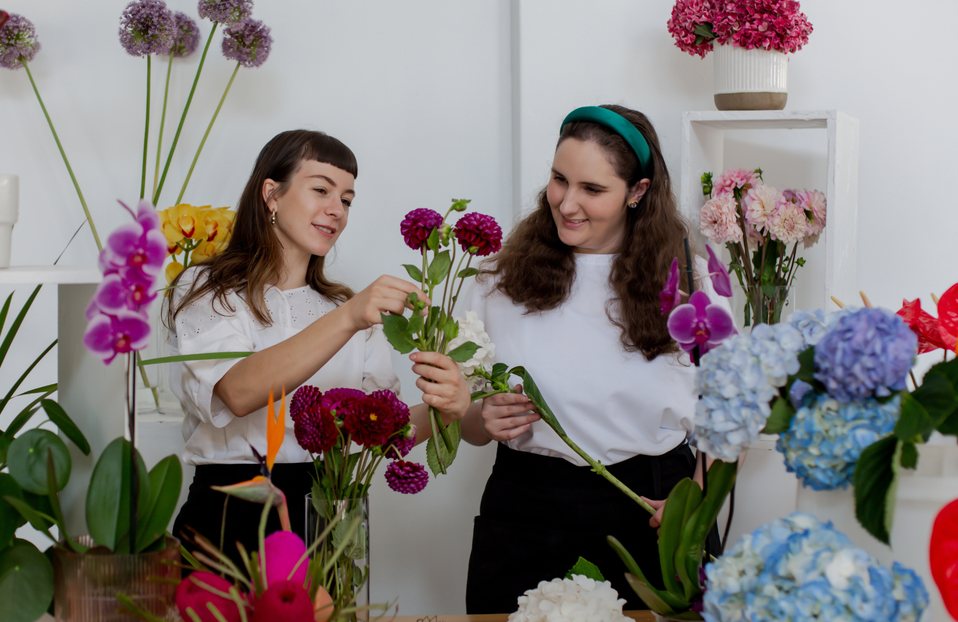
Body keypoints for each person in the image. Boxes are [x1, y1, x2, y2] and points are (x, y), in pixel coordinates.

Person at [167, 129, 470, 565]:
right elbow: (236, 392)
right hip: (228, 516)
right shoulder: (207, 289)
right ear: (271, 194)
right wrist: (348, 318)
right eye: (321, 190)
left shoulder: (348, 310)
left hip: (326, 514)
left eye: (346, 199)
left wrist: (447, 410)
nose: (336, 211)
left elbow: (380, 434)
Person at [460, 105, 718, 613]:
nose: (567, 203)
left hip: (651, 509)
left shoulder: (692, 283)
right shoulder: (495, 281)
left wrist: (696, 500)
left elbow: (735, 408)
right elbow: (465, 426)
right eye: (559, 180)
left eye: (592, 190)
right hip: (523, 510)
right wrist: (480, 416)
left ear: (638, 192)